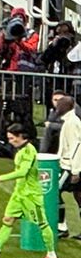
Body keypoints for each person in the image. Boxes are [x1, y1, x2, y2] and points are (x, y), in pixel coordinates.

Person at [0, 122, 60, 258]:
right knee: (8, 219)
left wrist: (0, 178)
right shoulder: (21, 150)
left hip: (31, 196)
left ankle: (51, 256)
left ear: (21, 136)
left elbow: (23, 172)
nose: (10, 141)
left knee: (42, 223)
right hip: (19, 194)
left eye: (12, 138)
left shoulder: (29, 152)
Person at [57, 96, 81, 239]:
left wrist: (75, 170)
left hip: (70, 166)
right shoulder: (71, 121)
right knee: (79, 196)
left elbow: (76, 147)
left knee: (54, 192)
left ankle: (62, 226)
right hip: (72, 165)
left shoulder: (72, 123)